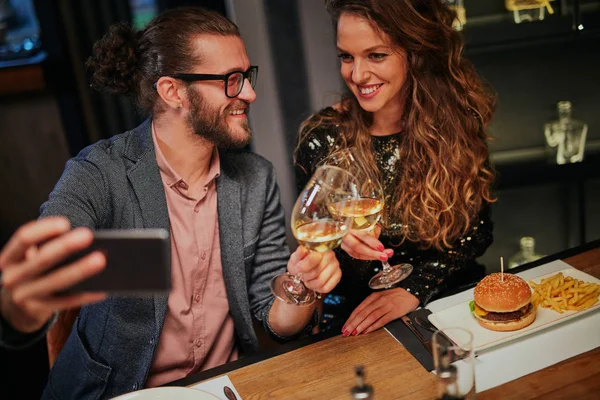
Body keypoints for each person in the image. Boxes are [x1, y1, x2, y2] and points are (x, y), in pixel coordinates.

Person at [0, 7, 341, 399]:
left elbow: (275, 319)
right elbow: (46, 269)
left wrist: (301, 287)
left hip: (219, 388)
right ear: (172, 91)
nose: (249, 93)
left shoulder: (255, 178)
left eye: (247, 76)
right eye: (231, 80)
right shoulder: (99, 173)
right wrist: (17, 306)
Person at [295, 0, 495, 336]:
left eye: (376, 55)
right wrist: (340, 242)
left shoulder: (457, 125)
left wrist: (414, 289)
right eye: (347, 56)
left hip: (449, 306)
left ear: (413, 53)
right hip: (358, 324)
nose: (357, 75)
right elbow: (317, 246)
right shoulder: (324, 136)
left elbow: (476, 234)